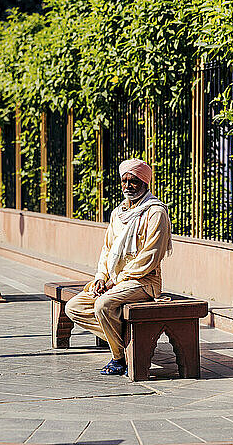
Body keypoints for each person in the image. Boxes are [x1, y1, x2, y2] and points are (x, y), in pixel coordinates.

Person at [65, 158, 172, 376]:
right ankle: (130, 344)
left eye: (133, 181)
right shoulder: (118, 213)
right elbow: (107, 250)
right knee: (73, 307)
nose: (127, 186)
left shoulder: (155, 213)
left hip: (143, 282)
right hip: (114, 281)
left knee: (103, 305)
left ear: (144, 182)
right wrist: (101, 278)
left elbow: (150, 257)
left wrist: (117, 280)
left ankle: (119, 358)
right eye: (124, 181)